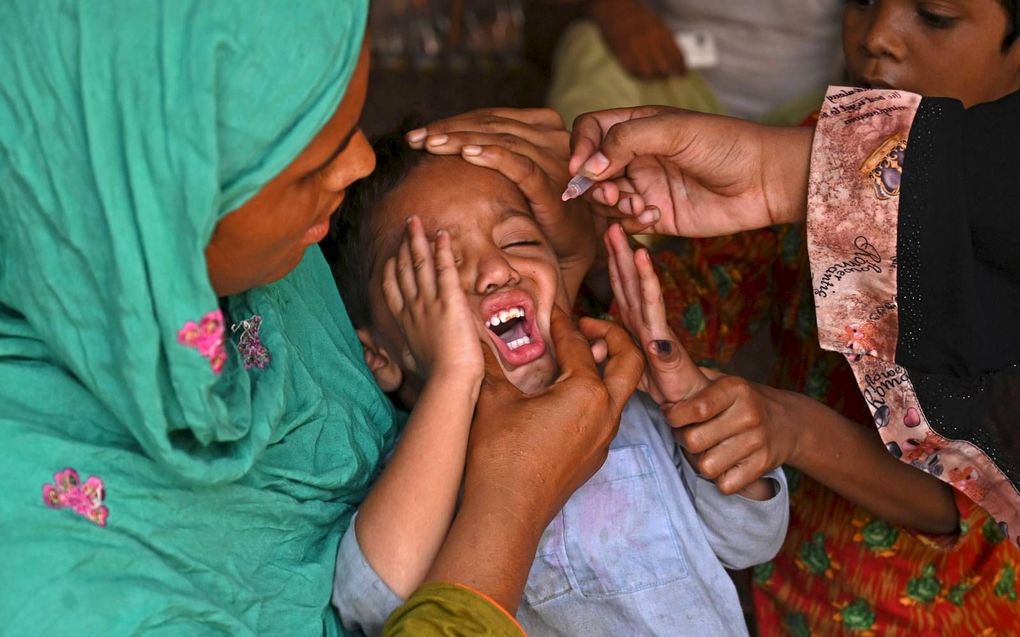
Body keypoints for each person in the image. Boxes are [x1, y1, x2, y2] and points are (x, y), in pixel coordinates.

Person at [0, 4, 642, 634]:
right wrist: (513, 500)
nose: (359, 165)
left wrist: (556, 258)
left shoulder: (277, 259)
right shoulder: (58, 579)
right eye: (307, 167)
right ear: (163, 210)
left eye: (348, 124)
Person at [556, 39, 1020, 637]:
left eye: (936, 17)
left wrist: (790, 427)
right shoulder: (818, 148)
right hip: (789, 582)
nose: (876, 32)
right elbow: (706, 297)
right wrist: (596, 251)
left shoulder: (999, 240)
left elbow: (962, 491)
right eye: (861, 0)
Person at [326, 131, 788, 635]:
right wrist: (453, 380)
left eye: (519, 241)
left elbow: (752, 539)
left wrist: (693, 403)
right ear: (379, 356)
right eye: (440, 267)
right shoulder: (422, 469)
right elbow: (369, 604)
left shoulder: (634, 412)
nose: (497, 270)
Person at [547, 0, 844, 128]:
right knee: (589, 44)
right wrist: (612, 7)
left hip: (805, 106)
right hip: (673, 77)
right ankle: (604, 236)